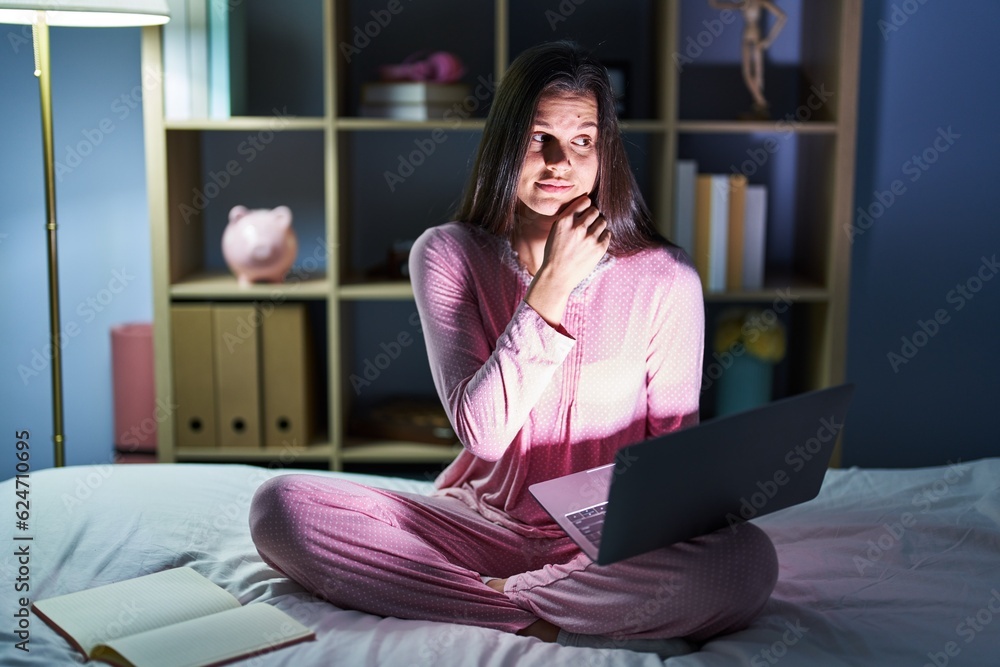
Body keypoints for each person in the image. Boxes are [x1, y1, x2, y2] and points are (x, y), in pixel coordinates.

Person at [249, 41, 778, 657]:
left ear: (605, 151)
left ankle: (489, 598)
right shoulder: (447, 255)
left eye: (583, 141)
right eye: (538, 138)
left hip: (605, 540)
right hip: (476, 523)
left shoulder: (666, 280)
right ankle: (532, 612)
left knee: (746, 564)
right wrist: (550, 287)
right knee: (279, 509)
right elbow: (484, 434)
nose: (560, 162)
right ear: (505, 144)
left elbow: (671, 459)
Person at [708, 0, 787, 117]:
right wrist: (714, 4)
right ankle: (759, 104)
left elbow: (782, 17)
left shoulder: (761, 2)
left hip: (755, 39)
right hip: (746, 38)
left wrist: (768, 41)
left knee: (757, 73)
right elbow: (721, 5)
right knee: (748, 73)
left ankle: (761, 102)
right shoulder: (744, 3)